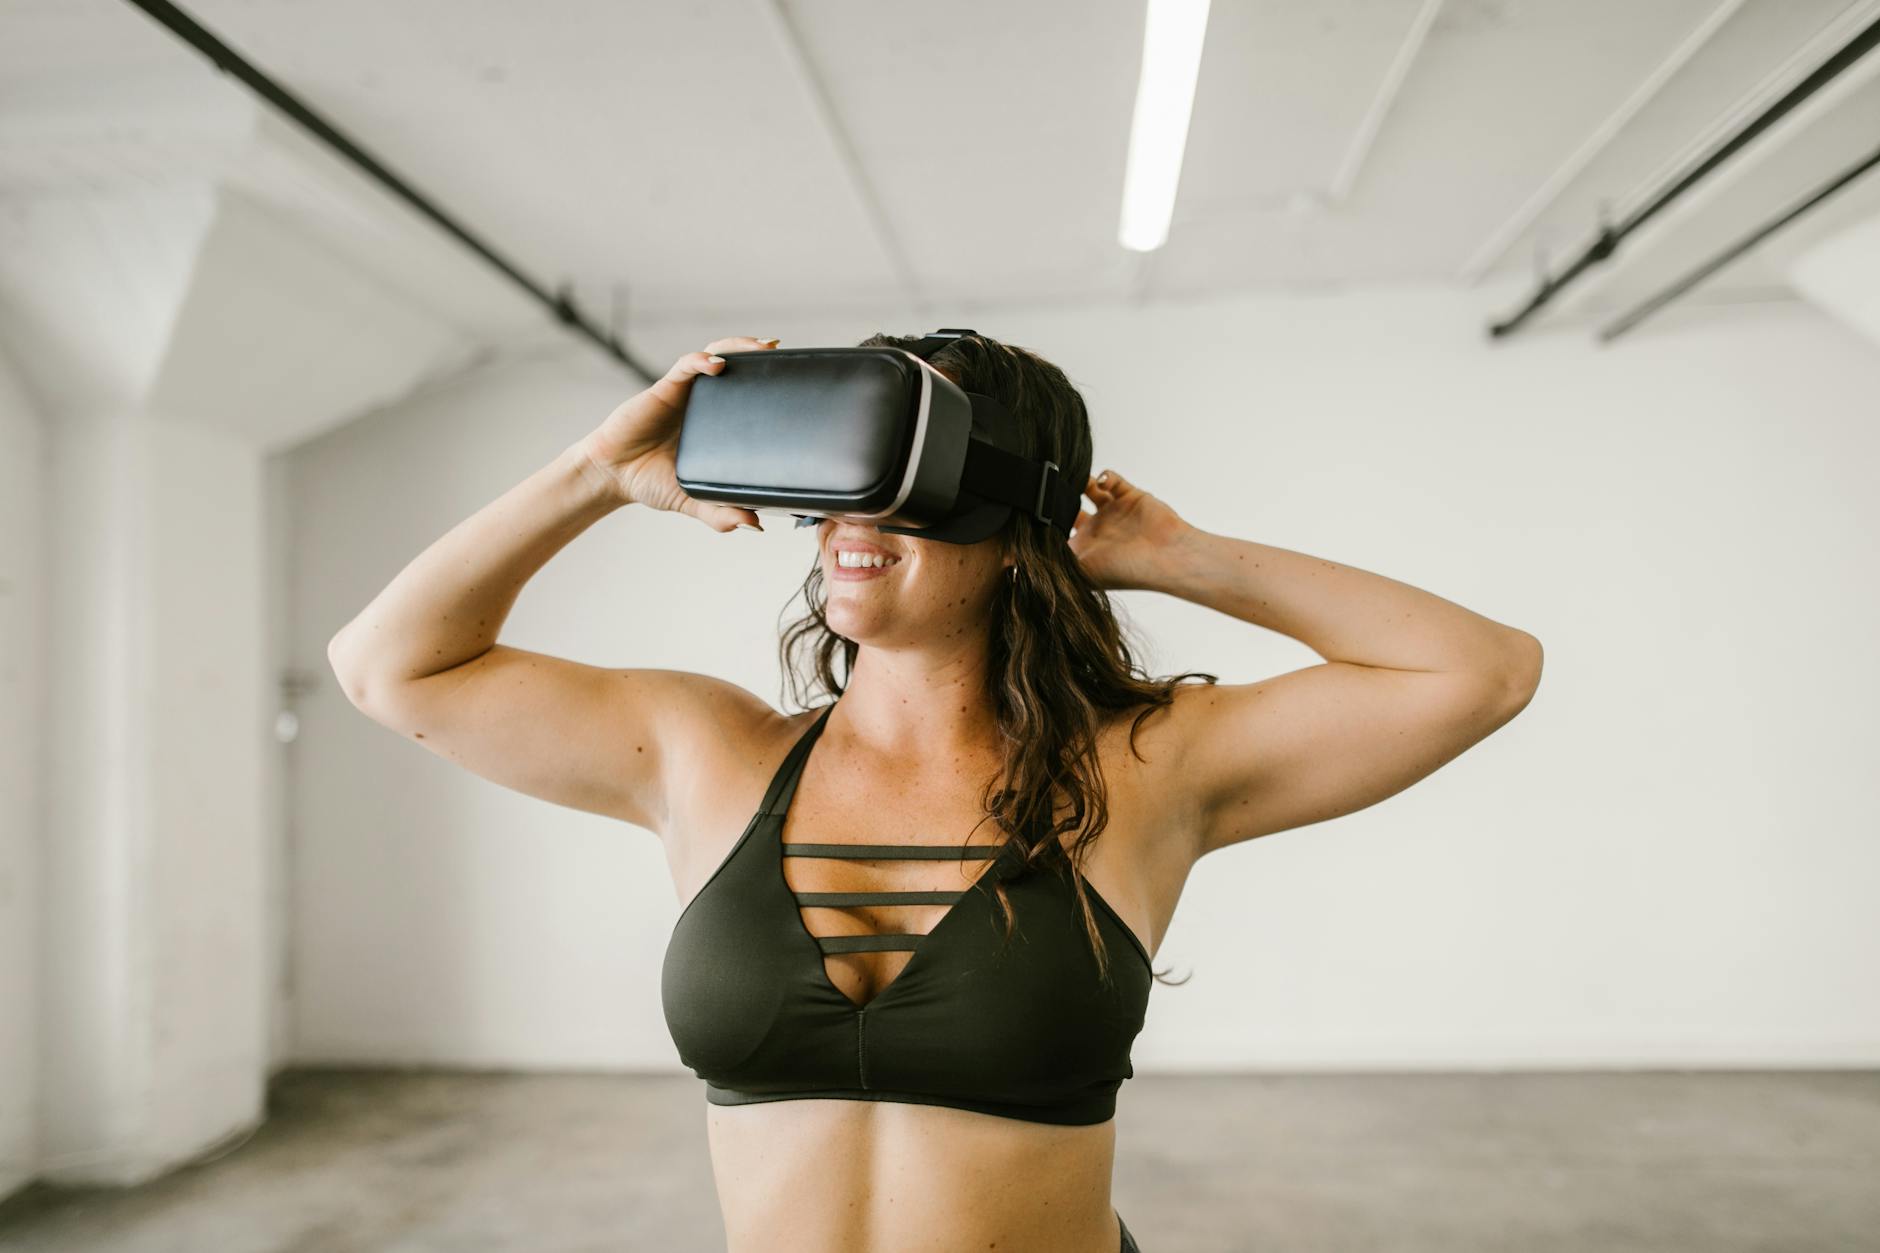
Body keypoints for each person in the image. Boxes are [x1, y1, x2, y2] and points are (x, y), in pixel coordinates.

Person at [328, 331, 1543, 1253]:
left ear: (1011, 510)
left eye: (907, 474)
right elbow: (387, 663)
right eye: (847, 469)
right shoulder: (707, 751)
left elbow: (1479, 671)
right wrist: (595, 471)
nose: (857, 513)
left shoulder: (1143, 769)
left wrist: (1183, 559)